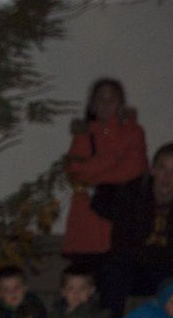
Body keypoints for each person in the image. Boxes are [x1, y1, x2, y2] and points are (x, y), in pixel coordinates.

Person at [92, 142, 173, 314]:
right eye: (162, 168)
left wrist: (171, 255)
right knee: (113, 271)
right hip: (138, 267)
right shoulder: (131, 194)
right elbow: (123, 247)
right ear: (152, 169)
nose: (167, 176)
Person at [62, 78, 148, 270]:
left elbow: (133, 169)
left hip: (119, 215)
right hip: (87, 216)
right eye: (101, 99)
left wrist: (94, 175)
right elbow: (76, 172)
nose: (106, 104)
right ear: (92, 105)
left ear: (121, 104)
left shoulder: (133, 131)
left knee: (116, 273)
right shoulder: (83, 133)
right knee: (82, 277)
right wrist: (114, 158)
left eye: (112, 99)